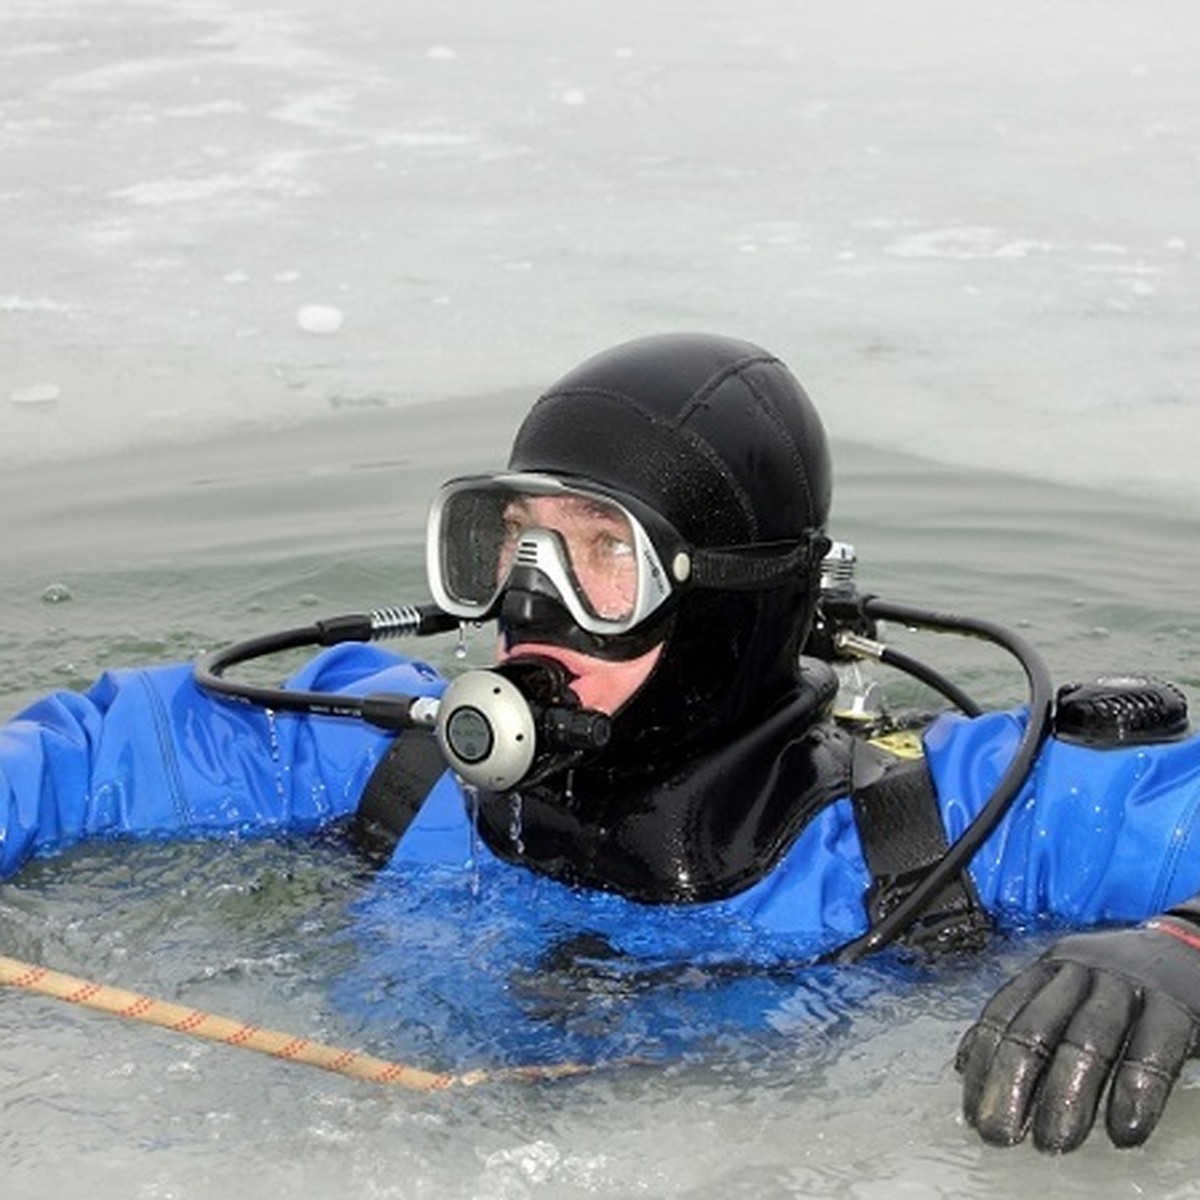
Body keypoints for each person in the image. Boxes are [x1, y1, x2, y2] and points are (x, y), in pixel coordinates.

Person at [3, 331, 1200, 1153]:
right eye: (510, 542)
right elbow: (100, 750)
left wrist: (1179, 945)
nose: (534, 600)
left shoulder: (953, 829)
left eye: (602, 551)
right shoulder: (393, 761)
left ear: (736, 599)